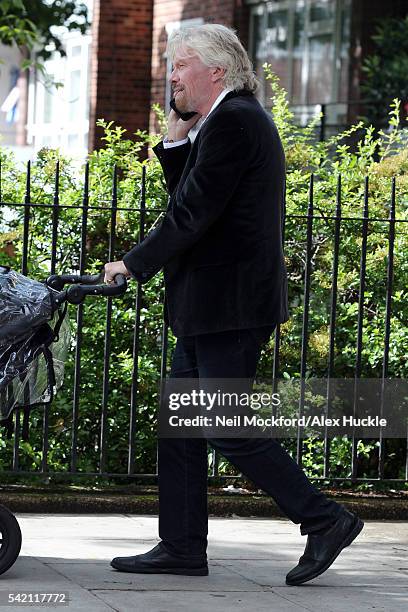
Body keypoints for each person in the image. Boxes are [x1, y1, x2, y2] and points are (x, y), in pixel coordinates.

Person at [104, 23, 363, 586]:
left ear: (216, 70)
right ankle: (180, 546)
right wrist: (176, 138)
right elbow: (196, 195)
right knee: (182, 426)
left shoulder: (238, 121)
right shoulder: (221, 121)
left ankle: (325, 519)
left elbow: (193, 212)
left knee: (224, 425)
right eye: (172, 66)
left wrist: (133, 261)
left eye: (181, 65)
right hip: (208, 305)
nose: (172, 75)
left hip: (231, 305)